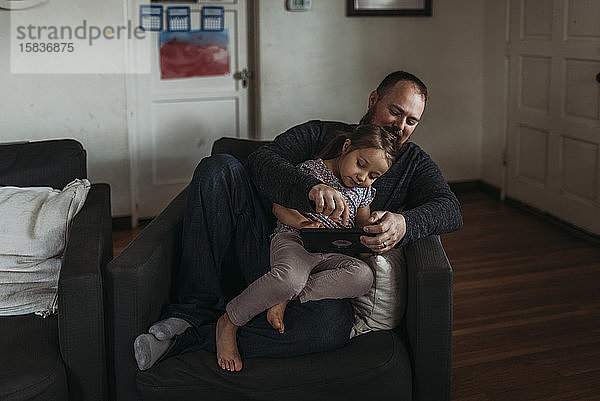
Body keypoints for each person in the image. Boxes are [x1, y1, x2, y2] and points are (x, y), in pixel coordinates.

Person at [133, 70, 463, 372]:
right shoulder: (323, 133)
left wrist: (403, 224)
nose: (400, 125)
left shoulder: (414, 163)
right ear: (373, 99)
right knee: (217, 168)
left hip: (315, 275)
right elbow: (262, 161)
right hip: (270, 245)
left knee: (327, 329)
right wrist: (310, 189)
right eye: (395, 111)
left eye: (411, 120)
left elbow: (450, 208)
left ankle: (192, 339)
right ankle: (192, 310)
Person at [216, 124, 401, 371]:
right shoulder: (311, 171)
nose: (362, 177)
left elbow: (360, 227)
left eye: (373, 175)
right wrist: (304, 224)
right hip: (296, 240)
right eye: (361, 164)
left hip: (332, 251)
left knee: (363, 277)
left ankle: (286, 298)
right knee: (288, 278)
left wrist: (372, 235)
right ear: (347, 147)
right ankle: (229, 321)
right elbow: (278, 208)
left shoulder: (363, 191)